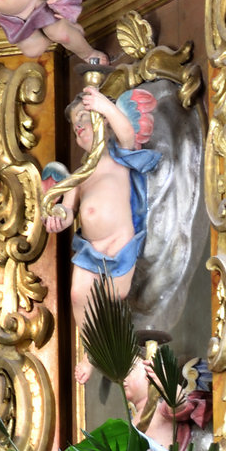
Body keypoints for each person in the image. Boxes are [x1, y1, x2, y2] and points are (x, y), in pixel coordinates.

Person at [44, 78, 160, 329]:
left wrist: (105, 106)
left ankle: (111, 342)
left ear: (103, 120)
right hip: (90, 247)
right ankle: (90, 348)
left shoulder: (119, 156)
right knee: (78, 295)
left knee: (113, 296)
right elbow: (67, 210)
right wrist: (58, 218)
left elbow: (127, 133)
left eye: (83, 117)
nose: (78, 126)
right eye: (74, 125)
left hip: (119, 242)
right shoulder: (79, 175)